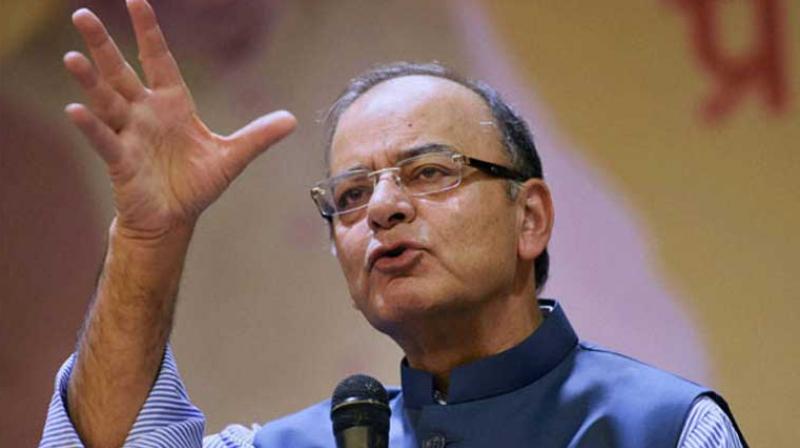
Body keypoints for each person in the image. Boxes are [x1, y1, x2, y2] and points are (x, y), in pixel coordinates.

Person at [40, 1, 747, 447]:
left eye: (430, 172)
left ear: (530, 217)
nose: (382, 207)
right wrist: (150, 237)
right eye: (350, 194)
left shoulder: (664, 428)